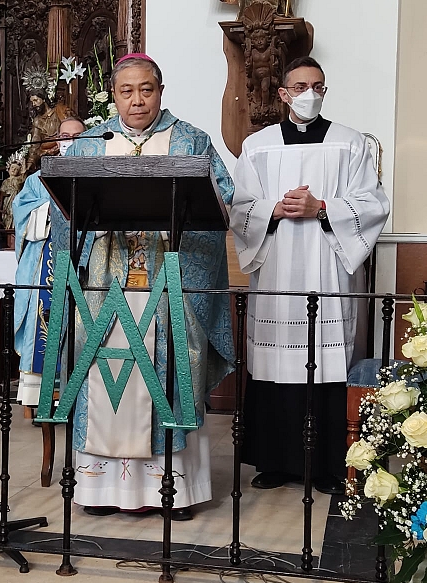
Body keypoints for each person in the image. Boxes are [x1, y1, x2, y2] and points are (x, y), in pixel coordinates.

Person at [52, 54, 235, 520]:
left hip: (170, 286)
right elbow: (63, 212)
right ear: (113, 95)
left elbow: (222, 202)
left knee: (171, 373)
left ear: (160, 90)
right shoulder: (90, 145)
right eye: (126, 91)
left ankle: (172, 489)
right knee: (101, 375)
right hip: (103, 289)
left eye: (146, 89)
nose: (137, 100)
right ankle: (98, 488)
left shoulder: (191, 141)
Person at [230, 56, 390, 495]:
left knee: (325, 362)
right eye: (299, 86)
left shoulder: (350, 143)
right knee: (275, 362)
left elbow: (373, 204)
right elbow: (240, 207)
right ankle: (276, 462)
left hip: (327, 270)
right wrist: (274, 209)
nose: (309, 94)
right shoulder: (258, 146)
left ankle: (329, 466)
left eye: (317, 86)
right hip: (277, 268)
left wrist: (321, 208)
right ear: (283, 94)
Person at [13, 116, 86, 407]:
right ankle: (40, 397)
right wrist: (52, 211)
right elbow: (22, 213)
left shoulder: (95, 173)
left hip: (81, 263)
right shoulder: (38, 177)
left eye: (78, 136)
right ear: (56, 140)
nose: (70, 141)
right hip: (45, 260)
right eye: (65, 135)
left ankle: (78, 398)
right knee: (42, 325)